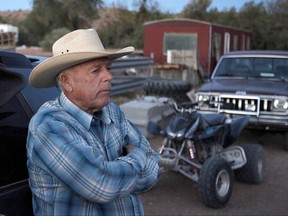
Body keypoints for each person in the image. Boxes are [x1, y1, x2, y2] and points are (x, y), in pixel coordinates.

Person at [26, 28, 160, 216]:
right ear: (67, 82)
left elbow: (154, 166)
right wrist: (137, 157)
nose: (109, 76)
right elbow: (102, 185)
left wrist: (121, 172)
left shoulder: (113, 111)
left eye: (108, 68)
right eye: (96, 70)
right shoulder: (49, 126)